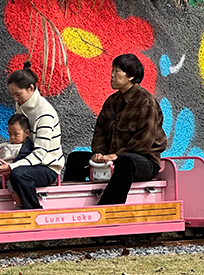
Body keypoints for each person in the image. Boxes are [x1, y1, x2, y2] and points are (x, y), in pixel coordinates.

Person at [63, 54, 166, 205]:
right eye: (113, 70)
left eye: (117, 71)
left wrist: (116, 155)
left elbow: (144, 140)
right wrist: (99, 153)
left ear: (130, 76)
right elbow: (100, 132)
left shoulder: (145, 101)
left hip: (143, 161)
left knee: (126, 161)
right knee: (75, 159)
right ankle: (69, 206)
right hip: (112, 159)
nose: (112, 75)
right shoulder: (111, 102)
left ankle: (106, 210)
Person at [0, 62, 65, 209]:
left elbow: (40, 154)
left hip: (47, 167)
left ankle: (33, 210)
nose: (16, 99)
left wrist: (11, 166)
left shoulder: (45, 114)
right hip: (24, 160)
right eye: (13, 95)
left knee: (18, 174)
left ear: (31, 88)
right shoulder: (21, 106)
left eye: (18, 94)